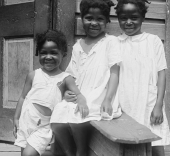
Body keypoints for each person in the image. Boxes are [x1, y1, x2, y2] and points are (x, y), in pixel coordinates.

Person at [50, 0, 122, 156]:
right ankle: (70, 151)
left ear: (107, 21)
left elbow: (115, 73)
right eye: (89, 18)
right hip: (80, 92)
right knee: (59, 112)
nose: (94, 23)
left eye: (100, 19)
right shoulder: (78, 46)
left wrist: (108, 98)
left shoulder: (111, 42)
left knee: (79, 114)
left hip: (100, 94)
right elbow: (71, 76)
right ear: (82, 19)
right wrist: (68, 93)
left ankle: (81, 151)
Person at [13, 30, 87, 156]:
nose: (48, 57)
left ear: (63, 54)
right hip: (26, 120)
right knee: (24, 151)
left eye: (53, 53)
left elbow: (78, 94)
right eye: (43, 53)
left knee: (28, 154)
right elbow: (22, 98)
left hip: (44, 125)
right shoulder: (33, 75)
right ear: (38, 54)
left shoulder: (65, 78)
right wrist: (16, 117)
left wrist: (81, 101)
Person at [115, 0, 170, 156]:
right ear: (118, 18)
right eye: (123, 18)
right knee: (131, 145)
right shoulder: (114, 44)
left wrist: (159, 105)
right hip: (126, 102)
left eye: (134, 17)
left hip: (149, 101)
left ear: (142, 17)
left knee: (157, 143)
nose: (129, 22)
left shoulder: (153, 41)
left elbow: (161, 73)